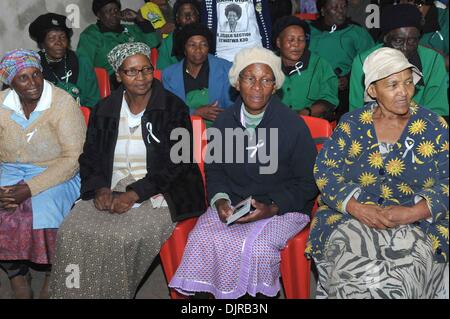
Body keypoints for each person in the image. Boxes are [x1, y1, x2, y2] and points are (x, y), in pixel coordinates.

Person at [49, 42, 206, 299]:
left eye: (146, 70)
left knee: (120, 237)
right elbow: (91, 157)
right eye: (131, 71)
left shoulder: (171, 107)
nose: (141, 77)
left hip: (162, 190)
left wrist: (134, 194)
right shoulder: (105, 109)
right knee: (72, 231)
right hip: (112, 183)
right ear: (118, 75)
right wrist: (99, 188)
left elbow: (178, 162)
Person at [169, 47, 318, 298]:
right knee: (202, 238)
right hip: (235, 201)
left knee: (257, 248)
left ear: (275, 86)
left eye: (266, 80)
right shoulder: (224, 121)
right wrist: (220, 200)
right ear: (237, 83)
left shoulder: (292, 125)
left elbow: (308, 181)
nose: (257, 87)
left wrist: (272, 207)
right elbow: (215, 168)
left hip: (283, 208)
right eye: (250, 78)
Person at [307, 47, 449, 299]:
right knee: (352, 278)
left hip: (418, 224)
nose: (404, 92)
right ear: (372, 90)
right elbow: (325, 170)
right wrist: (358, 208)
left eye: (408, 82)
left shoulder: (433, 126)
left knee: (402, 279)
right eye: (392, 84)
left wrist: (412, 212)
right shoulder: (352, 124)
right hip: (352, 219)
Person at [0, 49, 86, 299]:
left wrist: (28, 188)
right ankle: (16, 272)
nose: (33, 83)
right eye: (23, 78)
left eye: (36, 74)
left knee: (46, 209)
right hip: (8, 169)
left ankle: (53, 272)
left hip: (57, 171)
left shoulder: (62, 103)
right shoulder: (2, 104)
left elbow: (73, 159)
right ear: (11, 82)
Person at [349, 4, 449, 121]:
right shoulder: (363, 61)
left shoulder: (433, 60)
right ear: (385, 38)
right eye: (398, 41)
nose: (405, 48)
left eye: (412, 40)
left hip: (421, 128)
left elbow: (437, 111)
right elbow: (356, 113)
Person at [308, 0, 375, 118]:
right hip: (312, 87)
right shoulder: (309, 30)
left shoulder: (356, 31)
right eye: (335, 7)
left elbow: (370, 60)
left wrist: (349, 78)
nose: (340, 11)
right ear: (323, 11)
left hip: (343, 90)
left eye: (343, 6)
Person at [77, 0, 161, 90]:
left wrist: (138, 18)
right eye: (108, 11)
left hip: (140, 74)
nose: (113, 14)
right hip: (114, 83)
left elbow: (154, 41)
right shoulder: (91, 35)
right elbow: (84, 68)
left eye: (116, 10)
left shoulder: (131, 30)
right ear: (99, 15)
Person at [162, 23, 234, 127]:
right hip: (182, 129)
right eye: (192, 45)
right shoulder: (169, 74)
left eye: (203, 44)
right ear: (184, 49)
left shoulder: (225, 68)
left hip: (220, 129)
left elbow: (232, 107)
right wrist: (195, 112)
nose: (198, 49)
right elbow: (170, 109)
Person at [28, 13, 101, 108]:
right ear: (42, 44)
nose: (59, 42)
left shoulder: (81, 61)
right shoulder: (33, 65)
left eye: (62, 37)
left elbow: (94, 100)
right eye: (51, 38)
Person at [273, 15, 339, 120]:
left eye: (301, 39)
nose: (296, 44)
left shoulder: (319, 64)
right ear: (278, 42)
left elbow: (329, 99)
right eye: (291, 40)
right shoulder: (268, 65)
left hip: (311, 123)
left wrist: (307, 112)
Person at [201, 0, 273, 62]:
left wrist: (267, 48)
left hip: (254, 54)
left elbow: (265, 20)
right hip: (221, 57)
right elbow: (206, 26)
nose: (231, 18)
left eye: (234, 16)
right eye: (229, 16)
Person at [156, 0, 201, 70]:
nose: (188, 17)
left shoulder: (207, 38)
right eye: (183, 14)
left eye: (191, 13)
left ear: (198, 16)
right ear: (177, 19)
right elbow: (163, 70)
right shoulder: (168, 42)